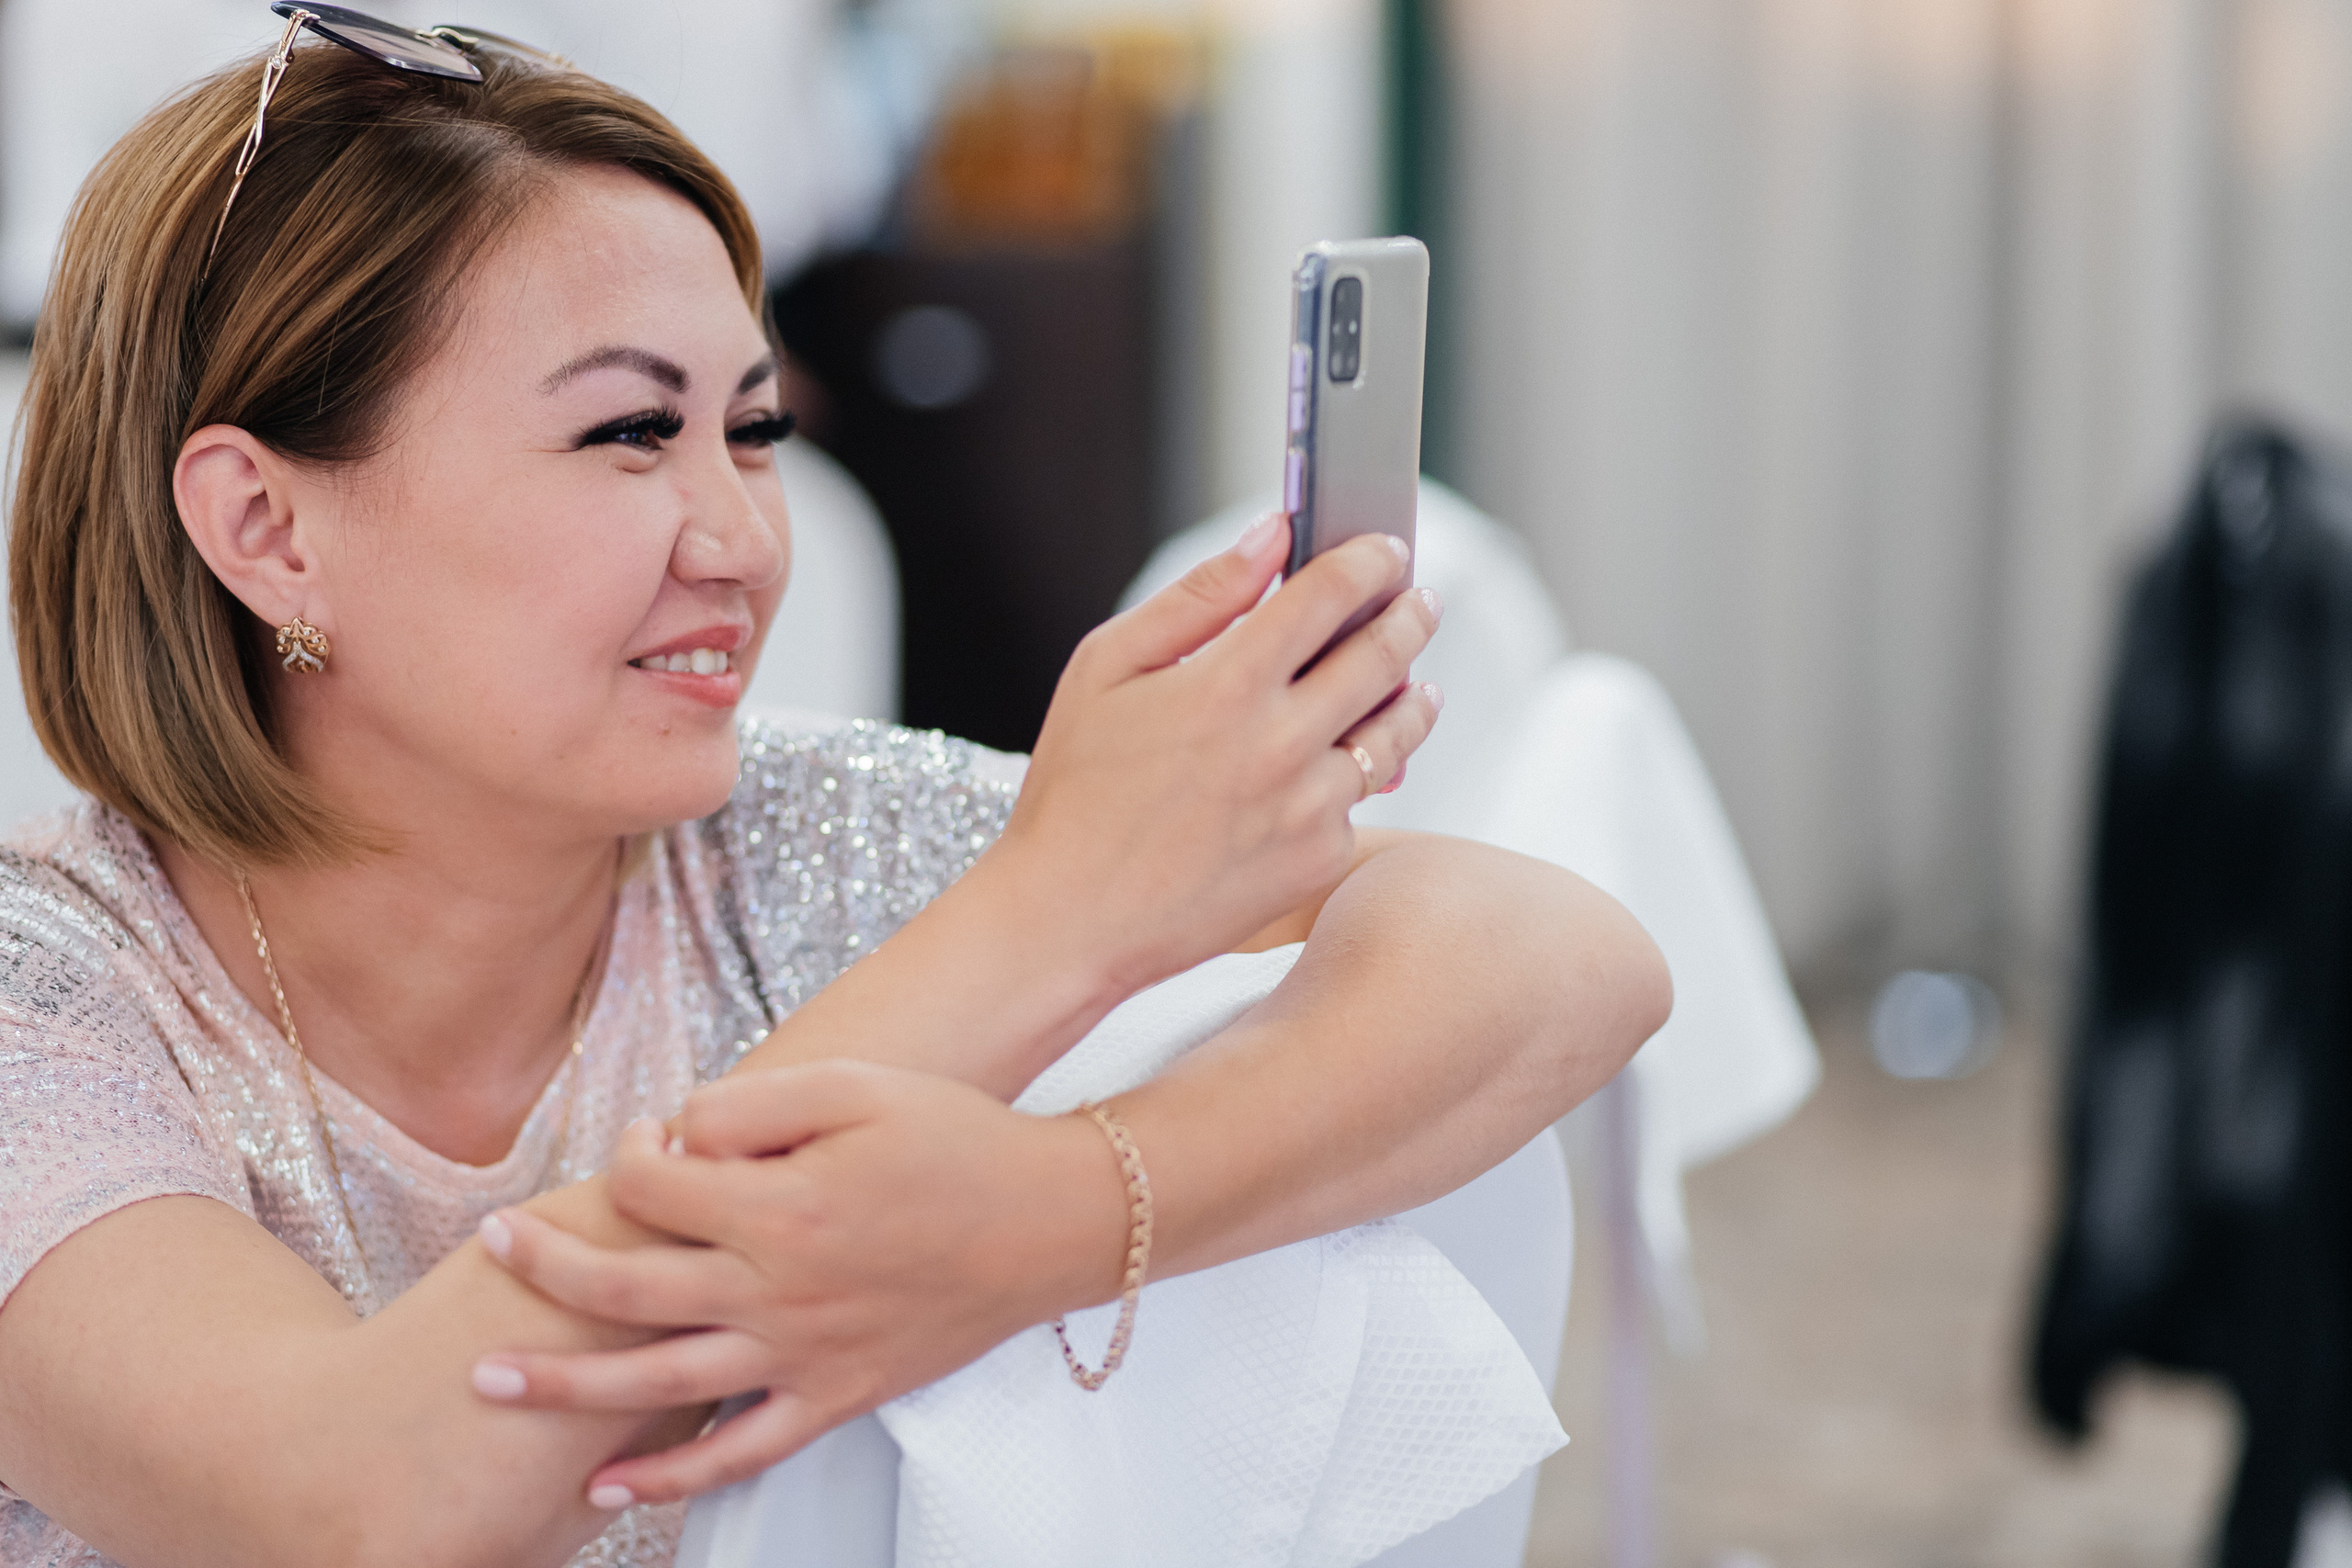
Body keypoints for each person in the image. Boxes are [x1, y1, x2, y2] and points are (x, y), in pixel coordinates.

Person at [0, 15, 1669, 1568]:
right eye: (627, 436)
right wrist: (1059, 906)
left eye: (753, 431)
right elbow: (351, 1503)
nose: (740, 544)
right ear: (267, 530)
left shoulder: (780, 841)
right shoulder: (48, 1006)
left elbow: (1566, 953)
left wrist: (1064, 1210)